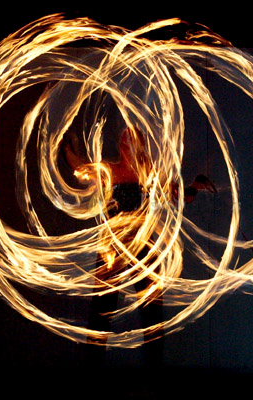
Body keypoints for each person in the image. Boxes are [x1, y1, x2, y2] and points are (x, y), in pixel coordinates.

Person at [63, 127, 215, 365]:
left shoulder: (150, 175)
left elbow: (180, 196)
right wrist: (64, 144)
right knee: (101, 312)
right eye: (123, 140)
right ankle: (93, 372)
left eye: (131, 140)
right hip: (112, 249)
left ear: (140, 146)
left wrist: (195, 185)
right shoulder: (109, 171)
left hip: (143, 248)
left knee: (152, 312)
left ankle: (155, 372)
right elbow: (79, 167)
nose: (125, 145)